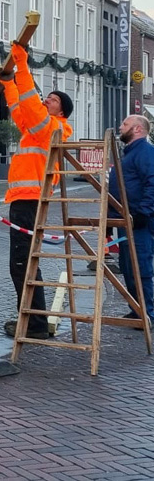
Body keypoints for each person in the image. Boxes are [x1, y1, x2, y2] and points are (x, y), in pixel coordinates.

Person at [0, 42, 73, 340]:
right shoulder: (37, 129)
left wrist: (21, 63)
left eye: (52, 100)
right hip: (23, 201)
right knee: (22, 265)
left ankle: (35, 325)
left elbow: (29, 101)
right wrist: (8, 86)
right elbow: (20, 109)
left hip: (30, 202)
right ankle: (31, 320)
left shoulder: (53, 128)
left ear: (61, 110)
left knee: (23, 264)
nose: (46, 101)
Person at [109, 115, 154, 324]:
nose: (120, 127)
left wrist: (143, 213)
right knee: (128, 266)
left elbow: (152, 182)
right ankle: (137, 309)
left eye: (125, 124)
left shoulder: (145, 153)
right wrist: (111, 220)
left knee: (140, 265)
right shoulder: (129, 154)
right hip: (124, 220)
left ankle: (147, 313)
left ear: (137, 129)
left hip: (138, 221)